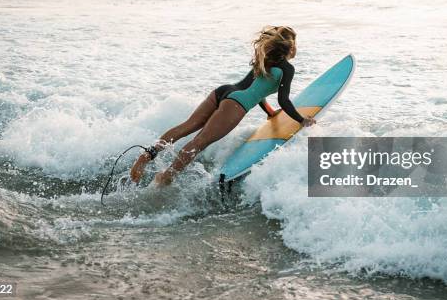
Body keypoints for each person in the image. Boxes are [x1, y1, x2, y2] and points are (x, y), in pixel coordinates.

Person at [130, 25, 315, 186]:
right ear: (291, 48)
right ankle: (166, 177)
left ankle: (146, 156)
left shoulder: (265, 60)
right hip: (236, 104)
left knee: (187, 126)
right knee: (199, 142)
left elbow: (256, 89)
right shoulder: (287, 69)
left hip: (223, 91)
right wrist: (301, 119)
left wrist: (269, 112)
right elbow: (284, 100)